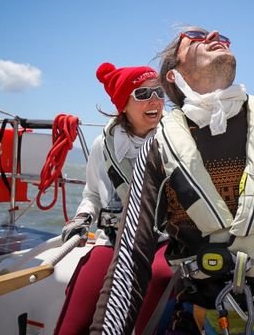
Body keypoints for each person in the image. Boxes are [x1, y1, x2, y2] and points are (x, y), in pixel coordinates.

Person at [90, 26, 254, 334]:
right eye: (194, 37)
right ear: (173, 75)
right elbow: (131, 258)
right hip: (199, 320)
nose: (215, 34)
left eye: (220, 37)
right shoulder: (158, 148)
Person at [53, 62, 172, 335]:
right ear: (123, 105)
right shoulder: (103, 145)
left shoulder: (174, 141)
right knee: (74, 316)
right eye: (143, 94)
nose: (155, 100)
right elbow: (92, 194)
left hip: (160, 240)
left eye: (159, 92)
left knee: (159, 278)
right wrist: (82, 217)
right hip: (112, 239)